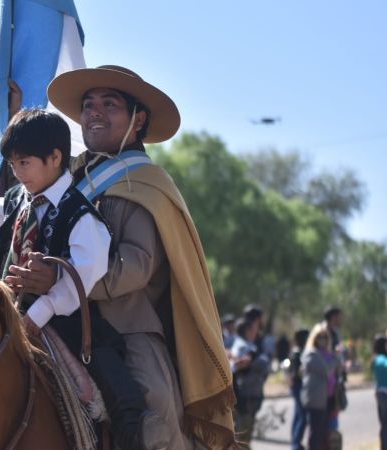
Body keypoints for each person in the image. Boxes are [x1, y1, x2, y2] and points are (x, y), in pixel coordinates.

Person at [12, 64, 236, 447]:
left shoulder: (149, 184)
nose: (95, 112)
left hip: (126, 326)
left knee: (153, 411)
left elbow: (135, 267)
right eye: (88, 105)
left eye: (110, 104)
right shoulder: (67, 176)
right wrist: (15, 118)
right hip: (50, 313)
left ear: (138, 119)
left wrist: (61, 280)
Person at [230, 317, 270, 448]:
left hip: (249, 394)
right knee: (243, 434)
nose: (255, 332)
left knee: (245, 433)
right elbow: (237, 367)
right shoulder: (242, 346)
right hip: (245, 395)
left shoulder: (248, 345)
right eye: (253, 329)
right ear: (247, 331)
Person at [301, 324, 338, 450]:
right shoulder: (311, 354)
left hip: (328, 399)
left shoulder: (328, 354)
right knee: (315, 434)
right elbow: (327, 371)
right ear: (314, 338)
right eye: (320, 337)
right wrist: (335, 359)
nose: (323, 340)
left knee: (324, 434)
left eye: (325, 337)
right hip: (316, 400)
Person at [287, 328, 311, 450]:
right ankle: (296, 444)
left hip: (297, 387)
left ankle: (295, 442)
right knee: (302, 417)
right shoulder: (298, 353)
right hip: (299, 388)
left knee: (298, 415)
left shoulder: (297, 352)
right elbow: (296, 373)